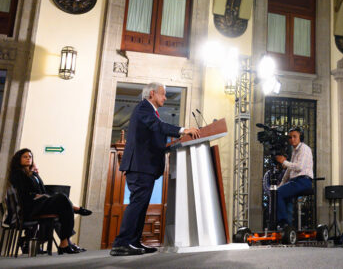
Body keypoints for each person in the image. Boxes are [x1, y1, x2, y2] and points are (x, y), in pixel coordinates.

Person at [110, 82, 200, 256]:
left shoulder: (150, 111)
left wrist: (169, 146)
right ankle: (121, 243)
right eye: (163, 94)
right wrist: (182, 130)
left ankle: (134, 242)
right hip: (139, 166)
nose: (165, 98)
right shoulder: (144, 108)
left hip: (145, 167)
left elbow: (154, 136)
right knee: (137, 204)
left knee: (141, 205)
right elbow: (158, 126)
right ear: (152, 93)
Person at [7, 149, 91, 254]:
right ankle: (75, 210)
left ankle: (65, 243)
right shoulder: (17, 174)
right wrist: (39, 196)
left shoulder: (33, 174)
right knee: (62, 199)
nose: (28, 158)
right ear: (18, 159)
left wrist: (41, 190)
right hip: (30, 207)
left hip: (39, 204)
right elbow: (23, 194)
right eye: (25, 157)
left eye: (30, 157)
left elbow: (42, 190)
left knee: (63, 206)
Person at [275, 127, 314, 231]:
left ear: (300, 137)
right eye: (290, 137)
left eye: (294, 136)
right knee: (284, 195)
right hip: (295, 181)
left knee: (279, 193)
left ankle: (283, 223)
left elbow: (299, 167)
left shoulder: (304, 149)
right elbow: (288, 170)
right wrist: (282, 184)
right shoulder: (294, 151)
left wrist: (284, 161)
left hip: (303, 181)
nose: (292, 139)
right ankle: (288, 228)